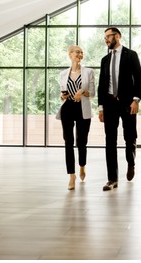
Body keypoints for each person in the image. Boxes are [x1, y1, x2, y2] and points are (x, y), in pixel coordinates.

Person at [98, 27, 141, 191]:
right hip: (109, 103)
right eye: (104, 38)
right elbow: (101, 85)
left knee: (129, 136)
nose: (106, 40)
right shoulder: (104, 60)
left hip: (127, 103)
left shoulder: (131, 55)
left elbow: (138, 78)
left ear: (117, 36)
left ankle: (131, 163)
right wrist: (101, 107)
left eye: (108, 37)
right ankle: (112, 179)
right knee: (110, 140)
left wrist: (136, 100)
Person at [56, 45, 95, 190]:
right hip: (68, 108)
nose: (80, 54)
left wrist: (83, 92)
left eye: (81, 52)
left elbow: (92, 93)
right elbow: (62, 93)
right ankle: (71, 175)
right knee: (68, 141)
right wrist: (62, 96)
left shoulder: (89, 72)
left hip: (82, 109)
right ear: (70, 54)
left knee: (81, 142)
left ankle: (82, 166)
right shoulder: (63, 74)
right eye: (77, 52)